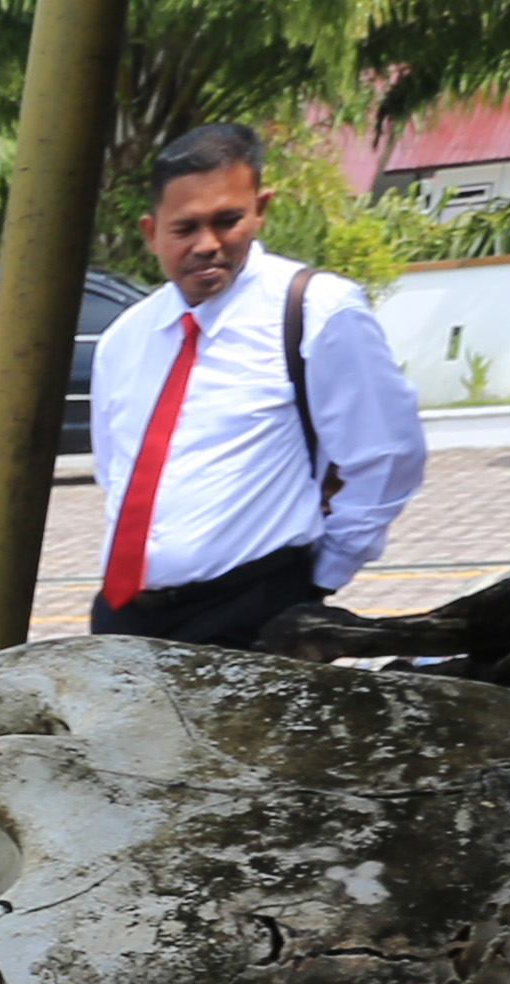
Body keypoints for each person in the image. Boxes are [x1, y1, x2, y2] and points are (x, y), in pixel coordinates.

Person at [88, 121, 427, 653]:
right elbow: (116, 473)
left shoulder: (316, 311)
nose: (208, 245)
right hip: (126, 615)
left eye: (228, 221)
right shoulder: (124, 340)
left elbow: (387, 457)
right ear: (151, 232)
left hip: (250, 611)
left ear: (260, 208)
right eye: (185, 229)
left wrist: (318, 580)